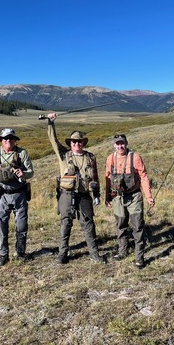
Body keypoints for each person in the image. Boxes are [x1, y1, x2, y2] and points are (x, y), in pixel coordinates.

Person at [46, 113, 106, 265]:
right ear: (70, 142)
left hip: (85, 196)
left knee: (89, 225)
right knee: (65, 224)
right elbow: (53, 140)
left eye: (79, 141)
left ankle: (94, 253)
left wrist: (97, 194)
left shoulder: (91, 157)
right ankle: (62, 254)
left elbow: (95, 178)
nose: (76, 144)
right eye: (74, 141)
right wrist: (50, 123)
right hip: (66, 195)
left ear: (83, 143)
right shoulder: (64, 155)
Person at [105, 133, 155, 269]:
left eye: (122, 143)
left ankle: (139, 257)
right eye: (117, 143)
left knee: (137, 226)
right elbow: (107, 178)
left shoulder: (135, 157)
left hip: (134, 197)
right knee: (121, 225)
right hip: (118, 197)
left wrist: (148, 196)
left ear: (126, 143)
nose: (120, 146)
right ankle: (122, 251)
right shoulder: (110, 158)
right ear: (114, 145)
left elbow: (143, 177)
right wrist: (107, 197)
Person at [0, 128, 34, 266]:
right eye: (5, 139)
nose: (8, 141)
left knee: (22, 225)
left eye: (11, 138)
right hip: (2, 196)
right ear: (1, 140)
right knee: (1, 226)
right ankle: (3, 254)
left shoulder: (22, 153)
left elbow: (31, 172)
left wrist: (23, 173)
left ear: (15, 140)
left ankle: (20, 253)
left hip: (20, 194)